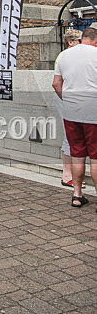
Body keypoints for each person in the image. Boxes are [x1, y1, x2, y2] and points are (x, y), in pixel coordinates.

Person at [53, 27, 97, 209]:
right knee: (95, 157)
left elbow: (56, 84)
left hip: (71, 113)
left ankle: (77, 194)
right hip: (93, 111)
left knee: (77, 154)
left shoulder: (64, 55)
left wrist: (69, 100)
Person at [53, 29, 84, 187]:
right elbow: (57, 83)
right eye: (80, 40)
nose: (82, 43)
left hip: (73, 98)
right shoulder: (65, 56)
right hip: (65, 97)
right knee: (69, 134)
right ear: (71, 42)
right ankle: (67, 173)